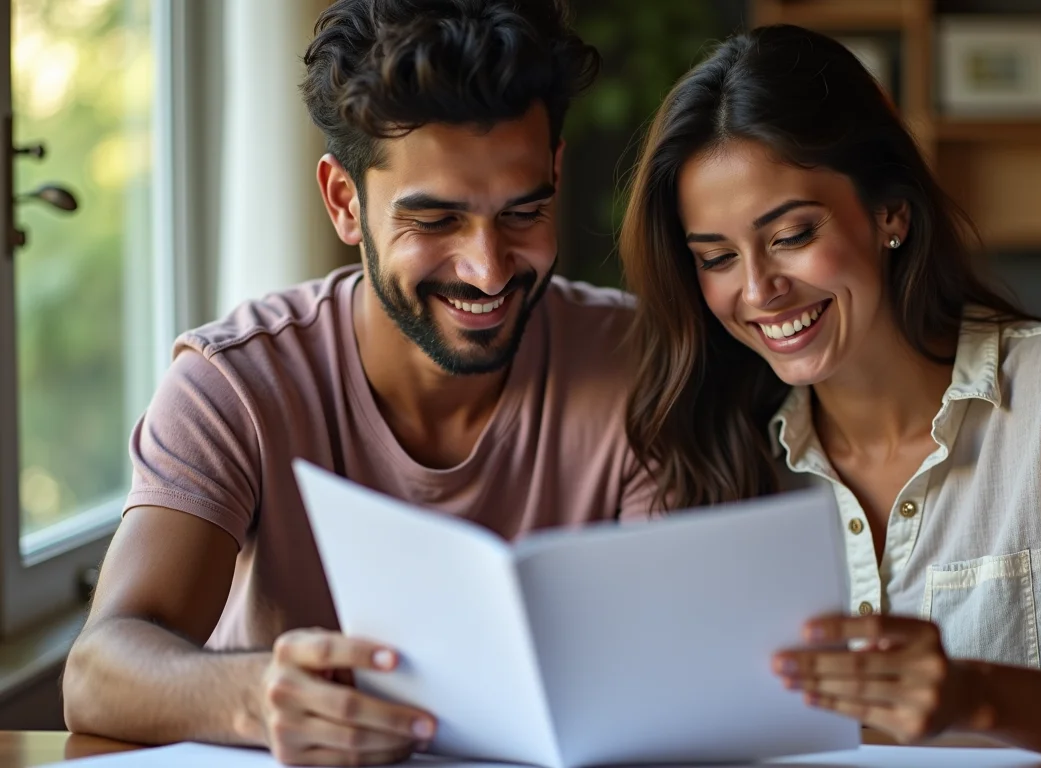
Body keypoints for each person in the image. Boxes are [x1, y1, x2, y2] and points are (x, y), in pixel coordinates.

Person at [619, 24, 1041, 759]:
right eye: (717, 257)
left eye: (791, 235)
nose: (758, 291)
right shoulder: (712, 446)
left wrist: (974, 696)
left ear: (890, 212)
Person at [62, 1, 652, 765]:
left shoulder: (643, 365)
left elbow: (670, 666)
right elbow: (98, 672)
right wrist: (255, 697)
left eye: (522, 212)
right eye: (434, 221)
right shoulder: (236, 383)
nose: (487, 269)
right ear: (345, 201)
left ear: (556, 174)